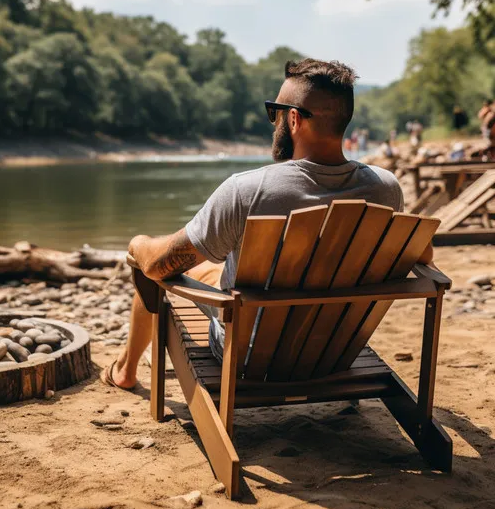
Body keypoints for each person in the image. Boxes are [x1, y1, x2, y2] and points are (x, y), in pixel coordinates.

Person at [101, 58, 433, 390]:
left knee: (149, 261)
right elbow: (422, 257)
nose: (274, 122)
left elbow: (160, 266)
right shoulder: (386, 188)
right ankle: (126, 368)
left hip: (251, 357)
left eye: (274, 112)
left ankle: (126, 372)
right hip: (336, 348)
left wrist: (139, 244)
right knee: (215, 271)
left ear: (293, 119)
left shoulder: (247, 190)